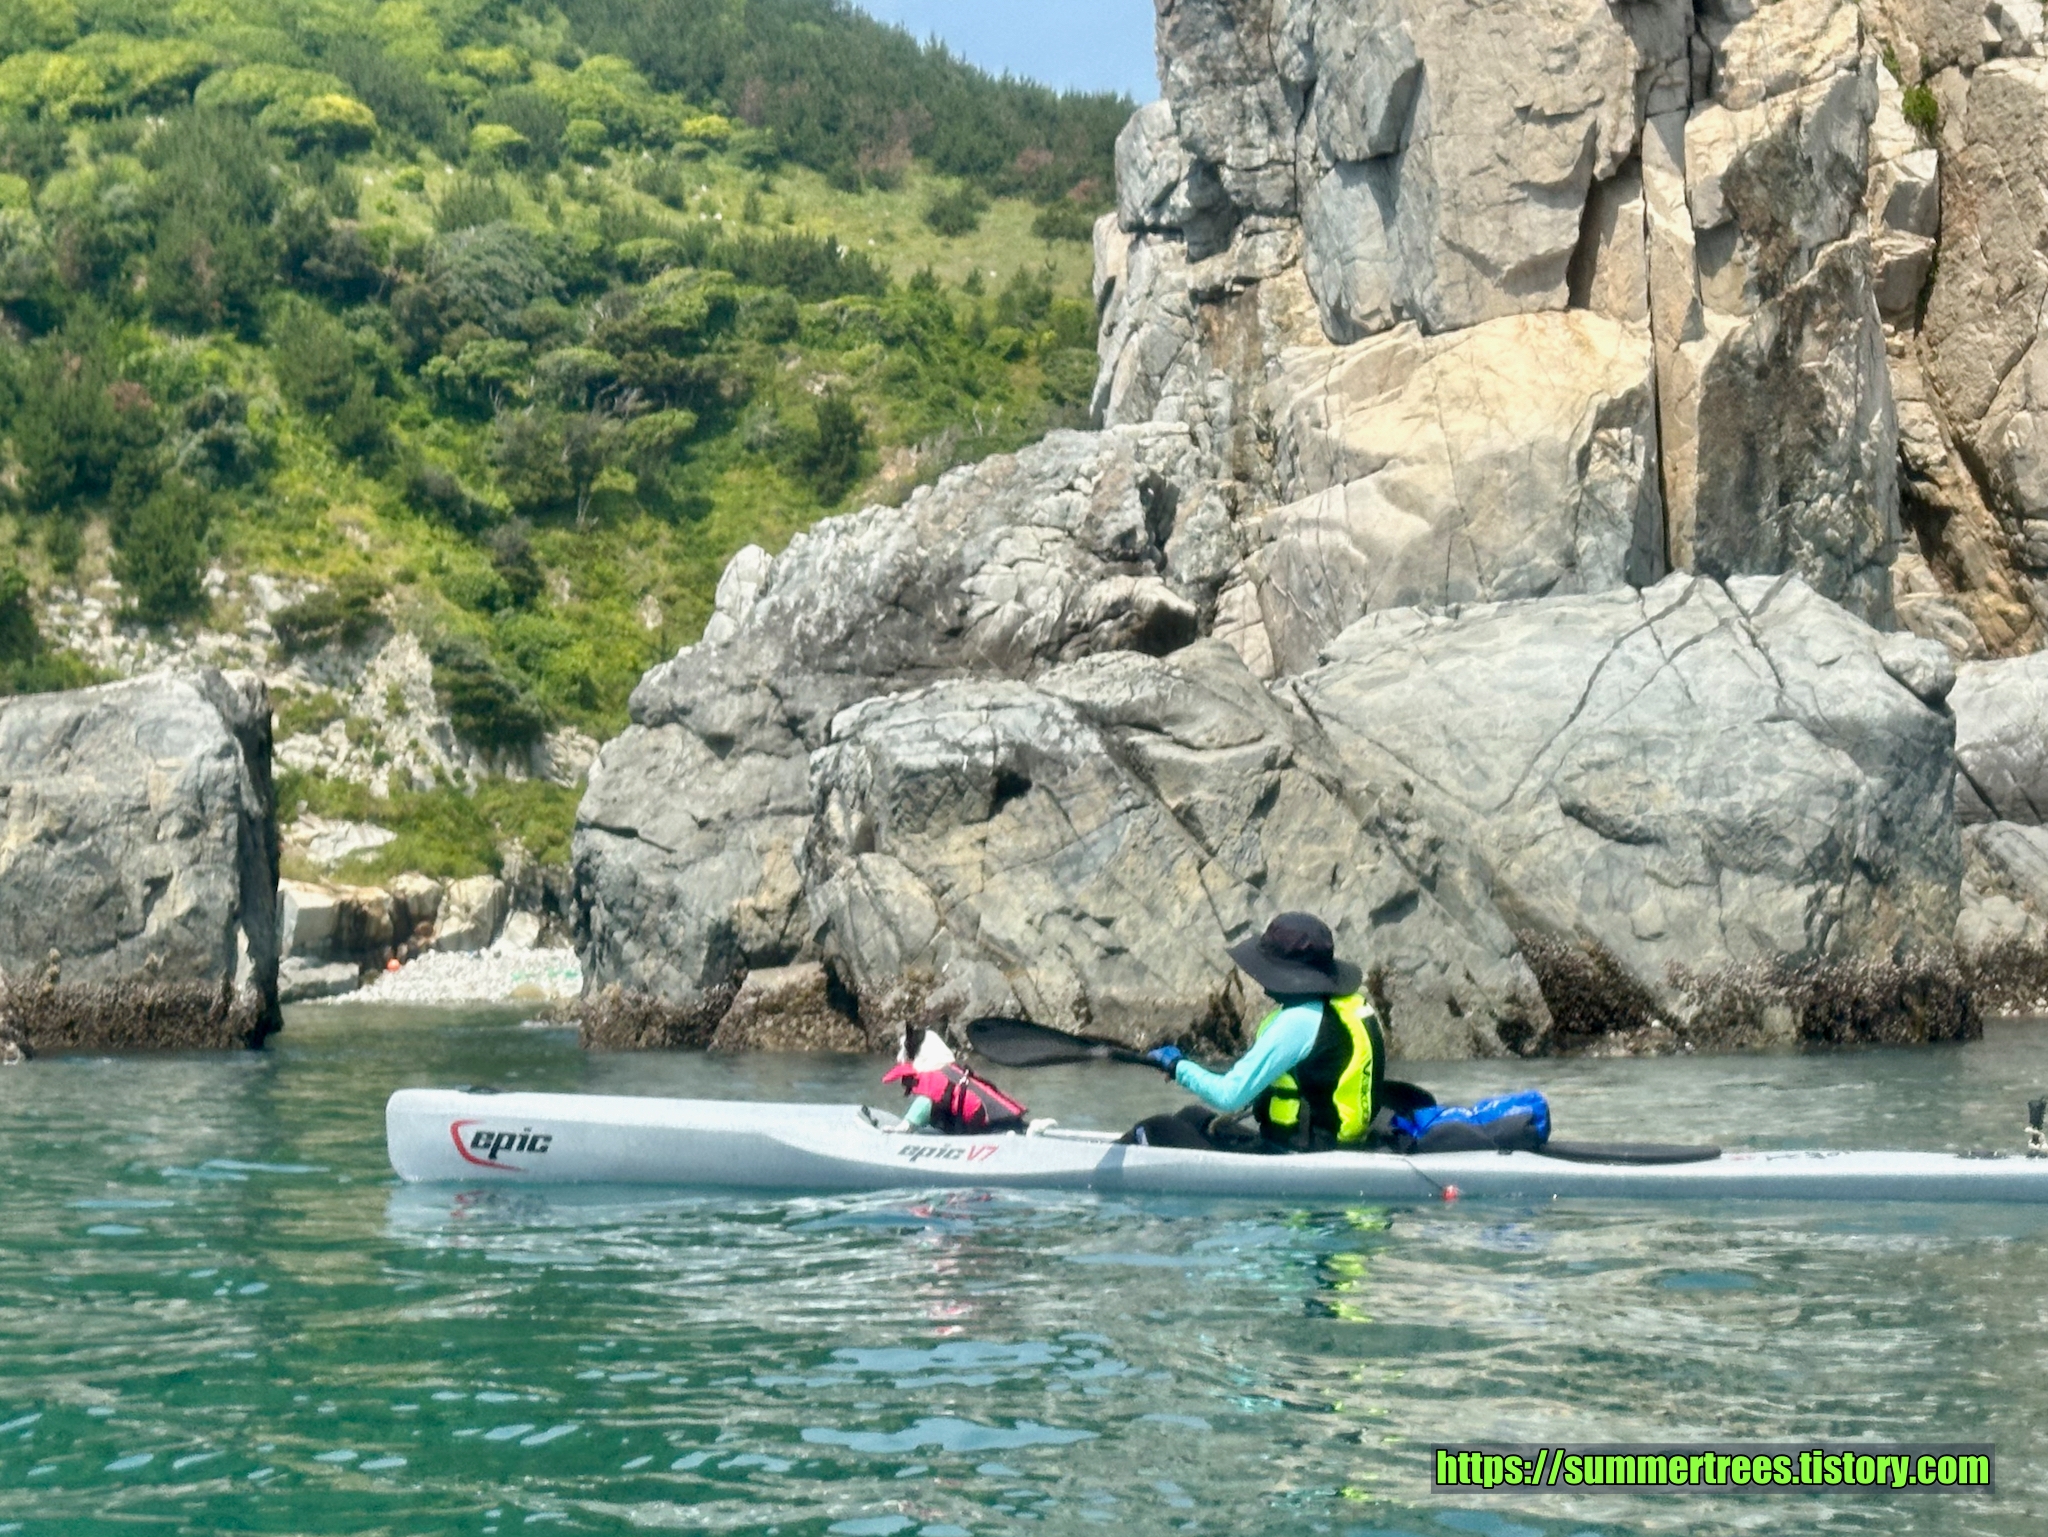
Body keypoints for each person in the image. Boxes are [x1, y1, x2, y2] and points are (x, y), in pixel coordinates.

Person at [1125, 912, 1384, 1153]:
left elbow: (1228, 1096)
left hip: (1298, 1155)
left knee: (1155, 1129)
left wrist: (1177, 1066)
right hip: (1331, 1145)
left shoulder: (1299, 1021)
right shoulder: (1343, 1008)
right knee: (1192, 1117)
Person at [882, 1026, 1030, 1134]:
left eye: (903, 1050)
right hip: (1008, 1120)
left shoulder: (934, 1080)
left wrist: (905, 1125)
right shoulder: (954, 1072)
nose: (900, 1057)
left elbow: (924, 1104)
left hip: (991, 1129)